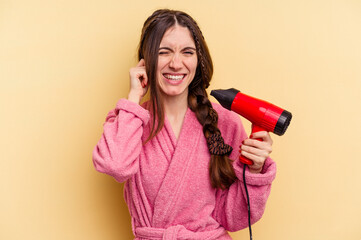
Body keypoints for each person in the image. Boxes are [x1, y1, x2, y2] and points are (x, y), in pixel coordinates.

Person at [92, 9, 276, 240]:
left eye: (187, 52)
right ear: (145, 60)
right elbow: (115, 166)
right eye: (163, 52)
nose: (176, 63)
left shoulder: (225, 123)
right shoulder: (130, 119)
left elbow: (234, 217)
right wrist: (134, 96)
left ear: (198, 60)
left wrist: (255, 170)